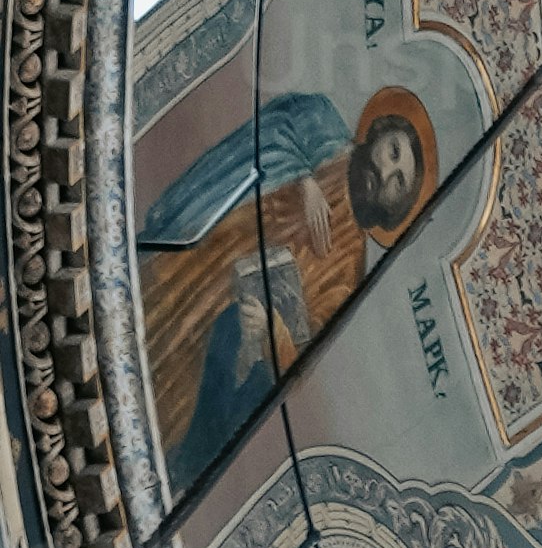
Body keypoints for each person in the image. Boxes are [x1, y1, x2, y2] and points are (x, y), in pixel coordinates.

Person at [137, 90, 436, 471]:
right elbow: (268, 132)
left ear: (396, 209)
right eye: (394, 153)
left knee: (168, 395)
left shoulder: (348, 274)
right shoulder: (321, 123)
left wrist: (269, 328)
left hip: (213, 330)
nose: (385, 173)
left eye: (398, 184)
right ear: (378, 131)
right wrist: (303, 174)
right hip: (195, 256)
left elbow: (302, 352)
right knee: (148, 300)